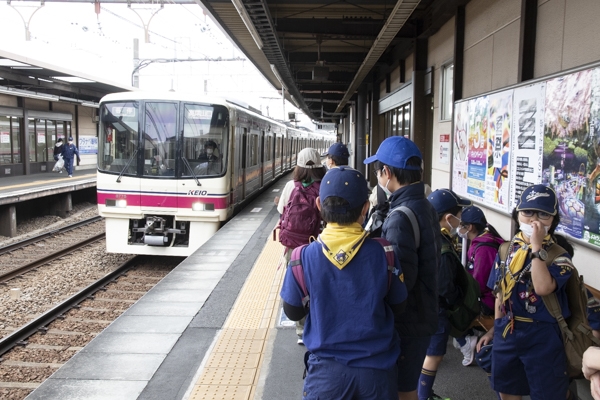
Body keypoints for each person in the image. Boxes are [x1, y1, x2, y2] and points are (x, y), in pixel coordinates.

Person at [280, 166, 408, 400]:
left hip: (325, 377)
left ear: (319, 205)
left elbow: (292, 310)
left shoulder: (302, 257)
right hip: (377, 373)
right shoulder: (385, 252)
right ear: (365, 208)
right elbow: (399, 305)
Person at [363, 136, 441, 400]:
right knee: (407, 387)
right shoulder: (425, 205)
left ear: (386, 173)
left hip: (408, 322)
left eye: (378, 171)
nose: (377, 177)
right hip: (424, 314)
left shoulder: (399, 217)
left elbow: (399, 280)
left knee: (402, 391)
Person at [484, 184, 574, 400]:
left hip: (542, 335)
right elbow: (499, 295)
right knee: (507, 392)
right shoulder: (507, 249)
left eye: (543, 214)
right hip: (508, 329)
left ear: (553, 220)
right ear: (518, 214)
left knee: (547, 394)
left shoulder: (558, 255)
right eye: (527, 212)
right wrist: (496, 330)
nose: (534, 221)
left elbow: (543, 287)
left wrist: (536, 248)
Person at [418, 188, 471, 400]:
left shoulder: (424, 233)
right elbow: (446, 285)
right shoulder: (442, 245)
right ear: (448, 218)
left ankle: (422, 393)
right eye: (458, 216)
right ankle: (422, 395)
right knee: (434, 355)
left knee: (425, 353)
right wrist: (458, 300)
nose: (459, 221)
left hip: (422, 305)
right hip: (436, 310)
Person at [276, 147, 326, 344]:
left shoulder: (291, 186)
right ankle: (318, 326)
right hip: (318, 245)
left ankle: (301, 329)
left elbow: (282, 211)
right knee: (317, 285)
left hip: (294, 249)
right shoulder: (325, 186)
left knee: (298, 285)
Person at [459, 206, 504, 318]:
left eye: (460, 225)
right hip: (482, 295)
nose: (458, 228)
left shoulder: (484, 249)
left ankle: (466, 335)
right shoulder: (479, 241)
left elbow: (479, 284)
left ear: (469, 227)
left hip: (488, 300)